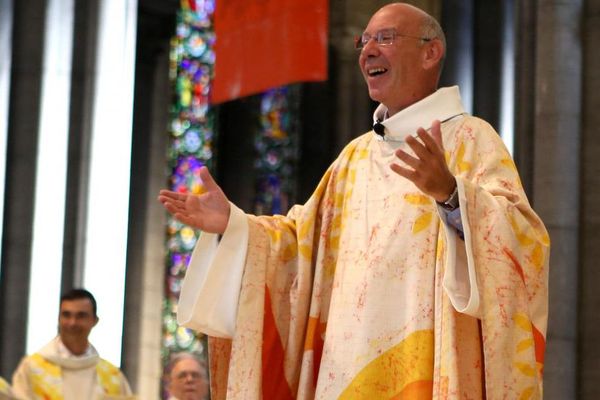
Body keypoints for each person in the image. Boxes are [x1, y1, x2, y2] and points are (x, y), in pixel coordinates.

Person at [158, 2, 549, 399]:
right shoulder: (354, 157)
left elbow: (523, 243)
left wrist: (451, 194)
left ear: (431, 52)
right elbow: (302, 243)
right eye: (364, 42)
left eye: (386, 38)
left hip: (427, 369)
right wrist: (235, 225)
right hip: (344, 369)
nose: (368, 51)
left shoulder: (469, 139)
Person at [12, 289, 133, 400]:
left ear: (94, 321)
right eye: (66, 315)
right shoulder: (31, 368)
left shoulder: (113, 376)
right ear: (59, 318)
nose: (72, 323)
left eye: (81, 316)